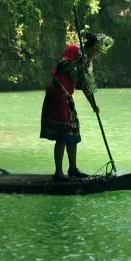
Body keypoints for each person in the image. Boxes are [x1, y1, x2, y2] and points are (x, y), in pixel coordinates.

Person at [40, 33, 100, 180]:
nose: (96, 55)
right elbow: (62, 66)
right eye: (96, 51)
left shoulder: (87, 63)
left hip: (67, 96)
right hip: (58, 94)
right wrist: (78, 61)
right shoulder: (74, 50)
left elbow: (86, 86)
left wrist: (94, 105)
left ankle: (73, 168)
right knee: (62, 134)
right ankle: (58, 173)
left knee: (72, 133)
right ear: (90, 47)